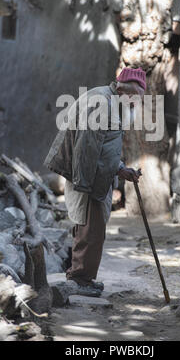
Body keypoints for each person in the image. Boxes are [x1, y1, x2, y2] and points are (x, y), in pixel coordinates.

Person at [44, 67, 146, 296]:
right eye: (133, 99)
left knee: (94, 229)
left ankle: (85, 278)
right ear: (121, 89)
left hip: (94, 175)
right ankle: (80, 280)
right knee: (89, 228)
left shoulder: (113, 103)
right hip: (87, 177)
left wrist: (121, 169)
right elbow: (86, 149)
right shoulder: (101, 103)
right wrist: (85, 184)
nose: (134, 104)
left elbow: (106, 147)